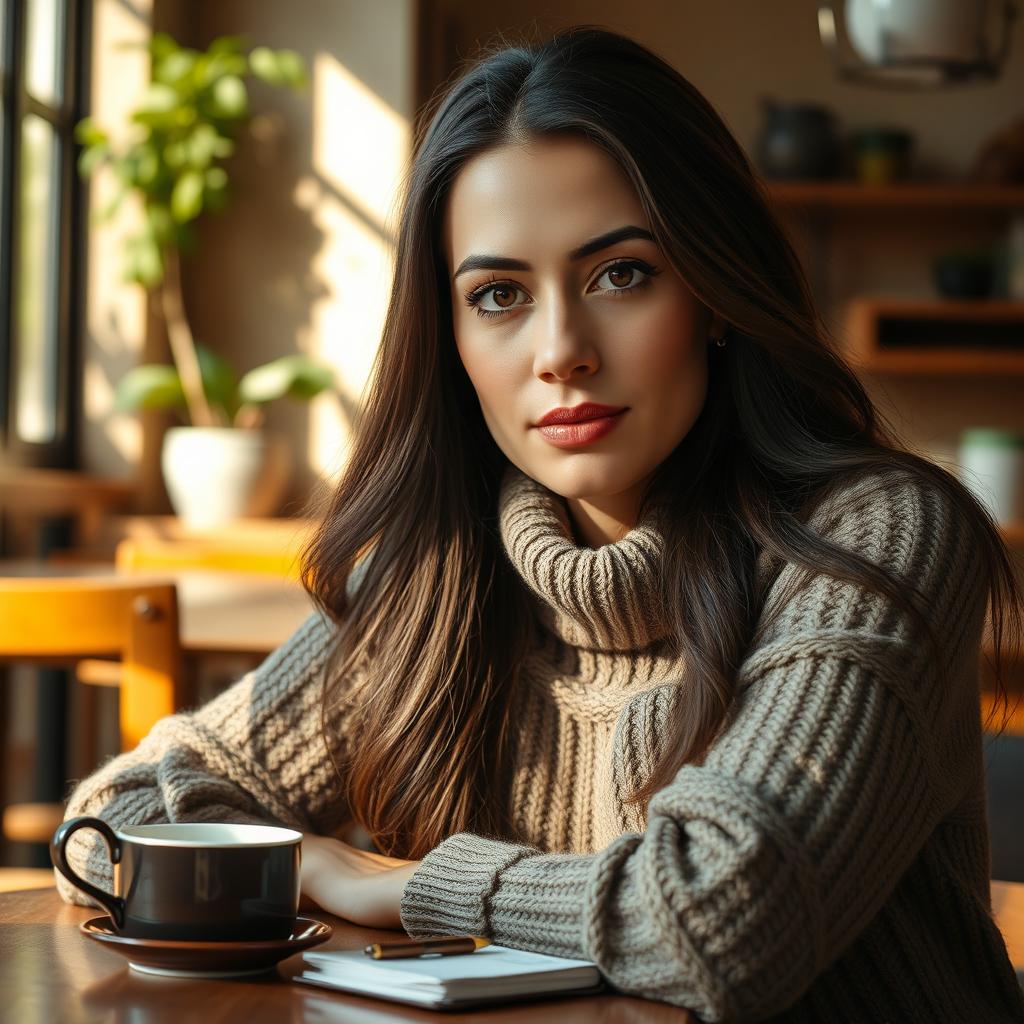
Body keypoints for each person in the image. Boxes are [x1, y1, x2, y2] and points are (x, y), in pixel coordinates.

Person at [57, 25, 1024, 1023]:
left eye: (622, 274)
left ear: (713, 290)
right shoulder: (439, 574)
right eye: (499, 295)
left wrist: (390, 881)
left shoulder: (877, 539)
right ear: (454, 338)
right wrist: (290, 864)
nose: (560, 350)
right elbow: (119, 812)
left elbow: (720, 919)